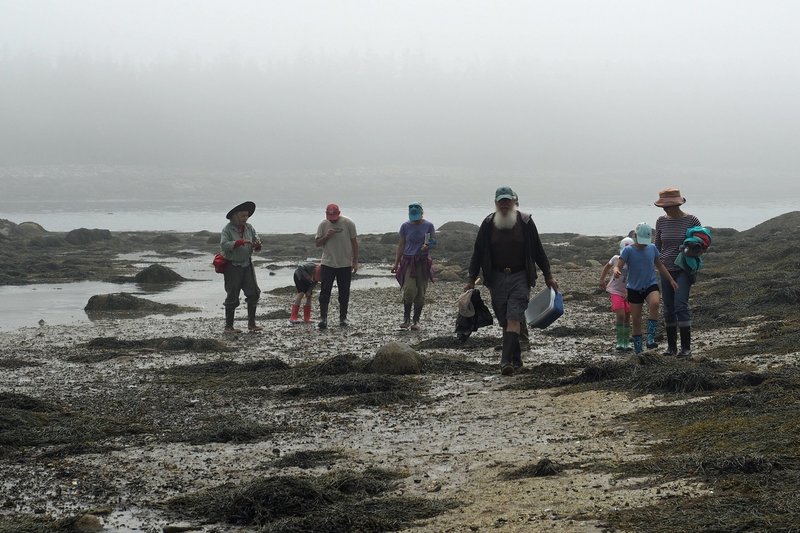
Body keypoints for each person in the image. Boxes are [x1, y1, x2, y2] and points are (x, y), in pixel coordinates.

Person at [464, 186, 559, 375]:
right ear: (496, 203)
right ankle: (516, 358)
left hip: (520, 276)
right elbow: (478, 252)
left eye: (508, 201)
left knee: (514, 316)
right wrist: (471, 278)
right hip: (496, 278)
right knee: (504, 320)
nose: (505, 205)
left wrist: (548, 275)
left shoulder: (525, 222)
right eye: (501, 202)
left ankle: (505, 361)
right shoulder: (488, 223)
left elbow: (538, 251)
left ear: (514, 202)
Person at [613, 222, 678, 354]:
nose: (644, 244)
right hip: (634, 288)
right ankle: (638, 350)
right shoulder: (628, 250)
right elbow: (618, 265)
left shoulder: (652, 248)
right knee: (636, 320)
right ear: (636, 236)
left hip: (650, 284)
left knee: (655, 303)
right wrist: (616, 270)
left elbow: (660, 266)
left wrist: (671, 279)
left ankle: (650, 337)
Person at [654, 188, 702, 357]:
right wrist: (656, 264)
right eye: (663, 206)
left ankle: (686, 349)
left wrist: (689, 249)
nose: (664, 209)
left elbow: (701, 245)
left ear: (677, 204)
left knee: (680, 306)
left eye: (667, 206)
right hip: (665, 269)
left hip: (684, 269)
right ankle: (672, 348)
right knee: (668, 309)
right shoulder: (661, 221)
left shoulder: (691, 220)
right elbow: (657, 247)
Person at [391, 202, 436, 330]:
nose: (415, 219)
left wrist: (428, 245)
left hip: (422, 261)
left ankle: (416, 321)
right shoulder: (405, 226)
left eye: (417, 215)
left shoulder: (428, 225)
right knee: (409, 289)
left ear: (422, 213)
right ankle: (406, 319)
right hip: (408, 261)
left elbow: (433, 241)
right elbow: (401, 245)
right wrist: (396, 263)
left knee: (421, 292)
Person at [219, 201, 262, 333]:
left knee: (254, 293)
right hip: (232, 266)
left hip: (247, 264)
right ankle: (229, 326)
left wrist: (257, 244)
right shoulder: (227, 229)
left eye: (247, 216)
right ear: (235, 216)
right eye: (243, 216)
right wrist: (239, 242)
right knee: (232, 294)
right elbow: (224, 245)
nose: (245, 218)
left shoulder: (249, 228)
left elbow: (257, 240)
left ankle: (251, 324)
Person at [315, 203, 359, 329]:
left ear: (339, 213)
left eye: (334, 216)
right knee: (325, 291)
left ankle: (343, 318)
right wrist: (327, 236)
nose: (332, 219)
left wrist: (355, 261)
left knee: (344, 292)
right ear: (326, 214)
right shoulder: (323, 224)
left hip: (345, 264)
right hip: (328, 263)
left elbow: (354, 243)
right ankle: (323, 318)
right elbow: (317, 243)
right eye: (330, 216)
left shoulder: (348, 223)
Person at [599, 237, 635, 351]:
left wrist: (630, 291)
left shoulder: (634, 262)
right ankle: (620, 340)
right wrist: (602, 279)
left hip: (628, 292)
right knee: (620, 314)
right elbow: (606, 267)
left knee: (627, 316)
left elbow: (635, 278)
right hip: (615, 291)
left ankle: (626, 341)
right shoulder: (616, 258)